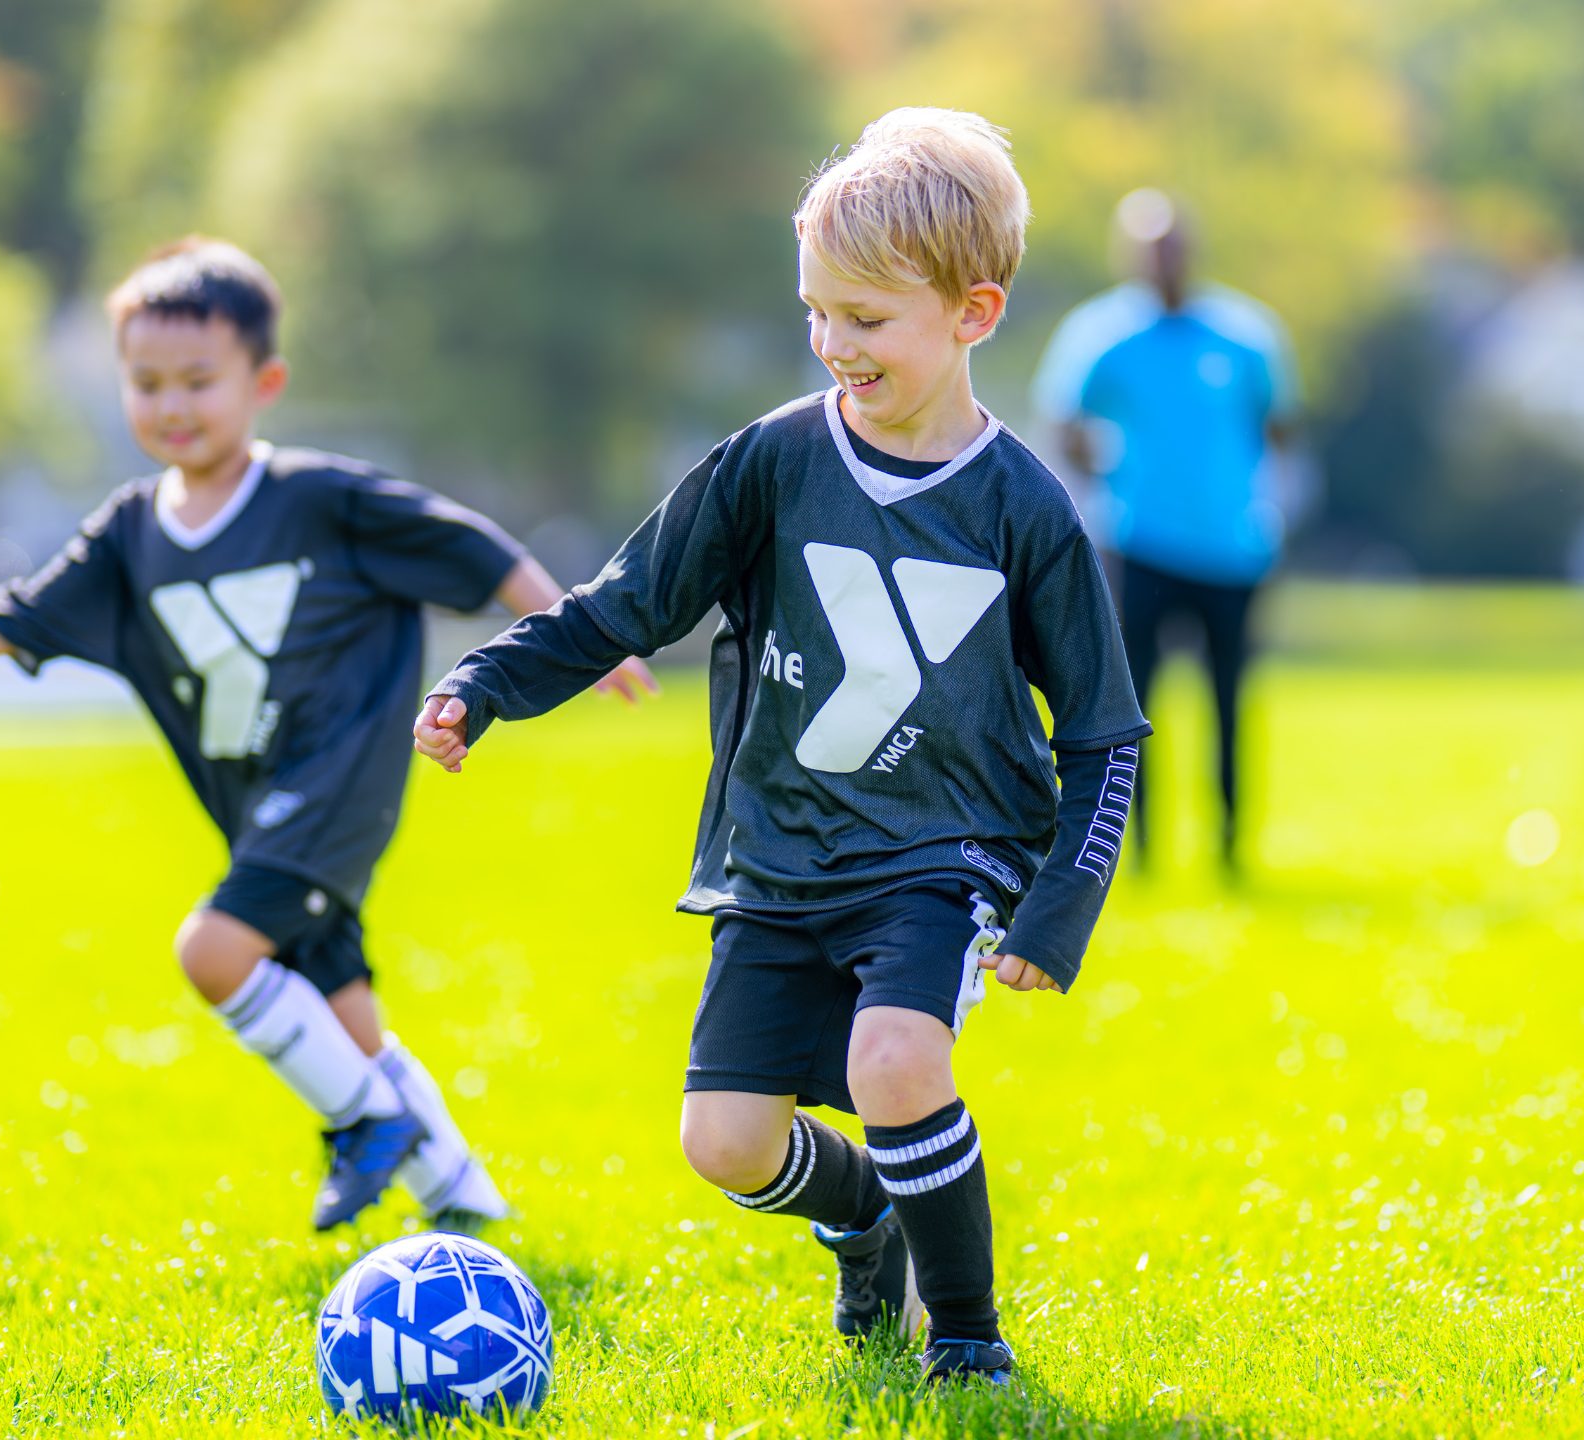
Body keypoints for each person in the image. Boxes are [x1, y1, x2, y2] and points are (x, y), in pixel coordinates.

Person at [413, 109, 1148, 1385]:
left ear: (973, 314)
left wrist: (1053, 910)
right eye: (817, 313)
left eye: (867, 320)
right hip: (780, 853)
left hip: (943, 854)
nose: (833, 345)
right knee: (727, 1143)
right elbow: (623, 603)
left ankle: (964, 1343)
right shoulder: (769, 462)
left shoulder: (1025, 506)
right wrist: (488, 682)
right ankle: (870, 1221)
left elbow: (1103, 736)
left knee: (895, 1062)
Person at [0, 238, 650, 1232]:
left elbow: (476, 549)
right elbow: (19, 615)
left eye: (198, 381)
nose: (172, 404)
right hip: (252, 809)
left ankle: (367, 1124)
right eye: (147, 381)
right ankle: (465, 1203)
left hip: (335, 783)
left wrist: (573, 643)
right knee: (343, 1014)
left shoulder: (319, 502)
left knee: (212, 951)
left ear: (264, 382)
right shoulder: (128, 533)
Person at [1031, 188, 1298, 874]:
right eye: (1149, 247)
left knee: (1229, 702)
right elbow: (1064, 422)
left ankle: (1231, 844)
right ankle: (1141, 848)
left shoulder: (1246, 333)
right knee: (1135, 710)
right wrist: (1109, 475)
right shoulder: (1101, 334)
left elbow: (1280, 423)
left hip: (1233, 548)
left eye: (1172, 245)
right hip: (1138, 543)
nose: (1163, 259)